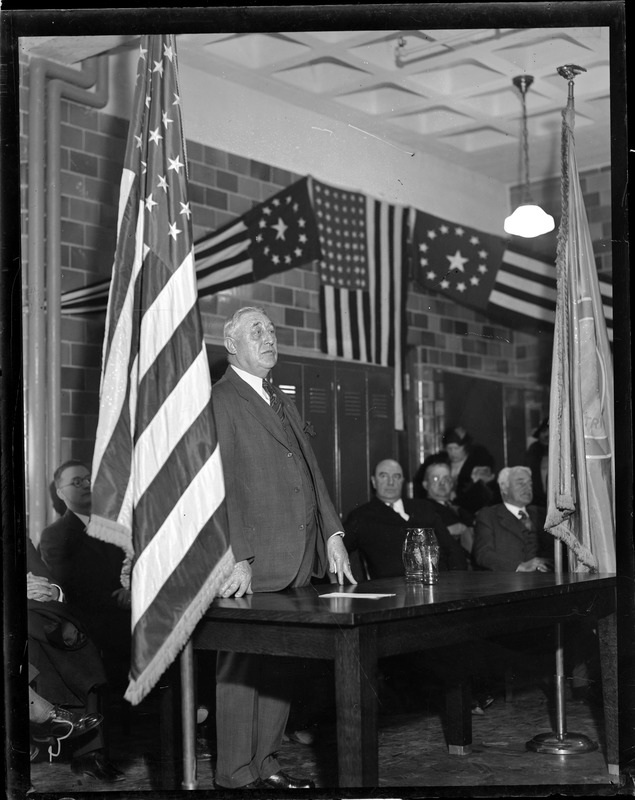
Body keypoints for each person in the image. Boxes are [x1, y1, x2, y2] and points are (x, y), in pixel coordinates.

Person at [211, 306, 356, 791]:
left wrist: (332, 535)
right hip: (251, 561)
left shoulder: (280, 398)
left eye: (272, 331)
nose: (269, 337)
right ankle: (234, 775)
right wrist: (239, 555)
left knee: (279, 664)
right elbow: (221, 486)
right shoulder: (221, 400)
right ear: (231, 344)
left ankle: (266, 764)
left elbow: (313, 475)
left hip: (296, 557)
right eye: (257, 331)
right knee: (240, 669)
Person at [27, 537, 123, 781]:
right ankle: (84, 749)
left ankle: (86, 753)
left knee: (64, 628)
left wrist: (52, 591)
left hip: (32, 611)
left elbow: (44, 576)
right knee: (61, 632)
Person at [38, 460, 131, 688]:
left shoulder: (117, 525)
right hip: (95, 620)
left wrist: (133, 590)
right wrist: (121, 597)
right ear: (61, 493)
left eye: (89, 479)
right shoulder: (55, 535)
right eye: (76, 482)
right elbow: (71, 585)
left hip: (133, 609)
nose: (86, 485)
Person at [344, 458, 468, 578]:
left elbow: (453, 550)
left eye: (396, 476)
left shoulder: (424, 508)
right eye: (383, 476)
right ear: (374, 481)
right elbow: (338, 550)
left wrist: (456, 580)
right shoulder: (361, 516)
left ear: (402, 481)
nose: (391, 482)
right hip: (392, 590)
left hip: (438, 584)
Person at [472, 466, 554, 572]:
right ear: (504, 488)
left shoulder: (543, 514)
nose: (528, 488)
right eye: (520, 483)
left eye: (530, 483)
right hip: (509, 582)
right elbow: (483, 554)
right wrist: (519, 566)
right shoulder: (489, 516)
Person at [414, 453, 475, 562]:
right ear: (425, 484)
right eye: (436, 478)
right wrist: (448, 531)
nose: (442, 483)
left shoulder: (460, 508)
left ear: (452, 484)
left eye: (446, 479)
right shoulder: (421, 509)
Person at [441, 426, 501, 515]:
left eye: (456, 448)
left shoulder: (478, 462)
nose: (453, 452)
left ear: (465, 447)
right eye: (449, 449)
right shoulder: (442, 463)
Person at [524, 417, 549, 509]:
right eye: (544, 431)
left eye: (549, 431)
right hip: (537, 503)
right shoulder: (533, 451)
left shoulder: (561, 452)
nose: (546, 435)